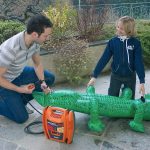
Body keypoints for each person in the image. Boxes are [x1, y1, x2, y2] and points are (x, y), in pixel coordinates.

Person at [0, 14, 55, 123]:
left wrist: (43, 83)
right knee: (21, 118)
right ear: (35, 34)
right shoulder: (10, 49)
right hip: (4, 82)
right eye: (46, 36)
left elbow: (37, 64)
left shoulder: (35, 43)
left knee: (49, 78)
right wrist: (20, 89)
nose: (48, 38)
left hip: (18, 73)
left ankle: (19, 102)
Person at [87, 16, 145, 99]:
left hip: (130, 77)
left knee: (129, 102)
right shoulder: (112, 42)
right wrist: (94, 76)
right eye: (118, 27)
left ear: (129, 30)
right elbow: (104, 59)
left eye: (121, 28)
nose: (118, 29)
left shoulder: (135, 43)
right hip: (116, 76)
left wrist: (142, 81)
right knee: (111, 100)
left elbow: (138, 62)